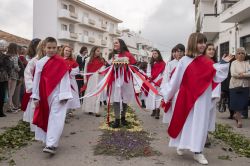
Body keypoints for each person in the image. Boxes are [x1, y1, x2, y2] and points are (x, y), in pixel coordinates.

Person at [160, 32, 233, 165]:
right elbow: (176, 80)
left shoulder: (207, 61)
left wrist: (223, 63)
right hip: (186, 96)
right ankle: (181, 144)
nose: (203, 45)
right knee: (184, 121)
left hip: (202, 98)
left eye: (204, 42)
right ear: (193, 43)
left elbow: (216, 77)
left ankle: (198, 152)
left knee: (200, 123)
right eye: (200, 42)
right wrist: (166, 92)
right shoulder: (184, 61)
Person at [31, 37, 73, 154]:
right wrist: (35, 96)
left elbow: (65, 79)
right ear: (44, 48)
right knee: (45, 116)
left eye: (54, 48)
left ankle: (51, 144)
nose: (51, 50)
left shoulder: (61, 62)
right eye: (49, 48)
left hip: (58, 94)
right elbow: (36, 80)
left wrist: (64, 95)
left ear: (57, 48)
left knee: (56, 118)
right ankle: (46, 139)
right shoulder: (40, 63)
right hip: (44, 94)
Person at [110, 39, 137, 128]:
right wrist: (115, 66)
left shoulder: (128, 54)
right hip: (115, 79)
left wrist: (126, 65)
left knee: (125, 97)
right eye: (114, 43)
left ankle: (123, 117)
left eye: (116, 42)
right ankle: (117, 120)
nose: (115, 44)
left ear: (121, 44)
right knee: (116, 98)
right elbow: (109, 67)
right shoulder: (112, 55)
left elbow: (135, 66)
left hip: (126, 79)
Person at [22, 40, 46, 131]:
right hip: (36, 89)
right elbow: (27, 74)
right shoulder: (34, 61)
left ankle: (45, 127)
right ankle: (35, 128)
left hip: (47, 88)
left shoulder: (51, 60)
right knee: (35, 108)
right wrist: (32, 87)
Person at [161, 44, 185, 124]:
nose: (179, 53)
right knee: (173, 109)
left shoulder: (187, 63)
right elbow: (166, 78)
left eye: (181, 51)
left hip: (184, 90)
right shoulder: (170, 64)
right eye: (177, 51)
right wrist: (165, 91)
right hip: (173, 90)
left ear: (184, 52)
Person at [229, 47, 250, 128]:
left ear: (245, 55)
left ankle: (237, 116)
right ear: (236, 55)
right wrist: (245, 74)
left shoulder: (247, 63)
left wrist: (243, 74)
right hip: (235, 86)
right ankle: (239, 121)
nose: (241, 55)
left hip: (245, 86)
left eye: (242, 53)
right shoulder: (234, 63)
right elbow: (233, 74)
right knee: (237, 104)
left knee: (242, 103)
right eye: (239, 53)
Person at [82, 46, 106, 117]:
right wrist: (85, 80)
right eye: (98, 51)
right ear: (94, 51)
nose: (99, 52)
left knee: (97, 94)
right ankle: (89, 109)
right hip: (90, 80)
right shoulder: (88, 59)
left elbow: (103, 69)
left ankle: (96, 111)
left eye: (99, 51)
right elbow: (85, 70)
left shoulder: (101, 60)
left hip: (98, 79)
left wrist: (101, 71)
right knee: (90, 94)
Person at [145, 49, 166, 119]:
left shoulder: (163, 63)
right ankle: (153, 110)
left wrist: (160, 80)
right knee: (152, 96)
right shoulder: (150, 63)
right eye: (153, 53)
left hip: (159, 82)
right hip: (152, 82)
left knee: (158, 97)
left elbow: (164, 74)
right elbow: (148, 72)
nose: (154, 55)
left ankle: (158, 111)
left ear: (159, 54)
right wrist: (149, 76)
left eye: (156, 53)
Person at [60, 45, 80, 112]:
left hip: (70, 82)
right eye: (66, 50)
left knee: (69, 98)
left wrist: (69, 70)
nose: (67, 52)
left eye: (69, 51)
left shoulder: (73, 61)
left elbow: (77, 71)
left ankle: (67, 112)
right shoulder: (59, 59)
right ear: (63, 50)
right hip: (60, 82)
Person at [6, 43, 21, 112]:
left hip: (7, 75)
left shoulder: (6, 55)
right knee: (11, 92)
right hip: (13, 75)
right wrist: (19, 69)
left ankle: (10, 106)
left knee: (8, 92)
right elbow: (15, 66)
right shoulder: (15, 56)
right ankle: (10, 107)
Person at [0, 40, 12, 117]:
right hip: (2, 77)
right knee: (2, 94)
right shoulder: (5, 56)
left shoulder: (5, 56)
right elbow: (8, 66)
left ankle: (0, 111)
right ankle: (0, 112)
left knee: (2, 94)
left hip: (3, 77)